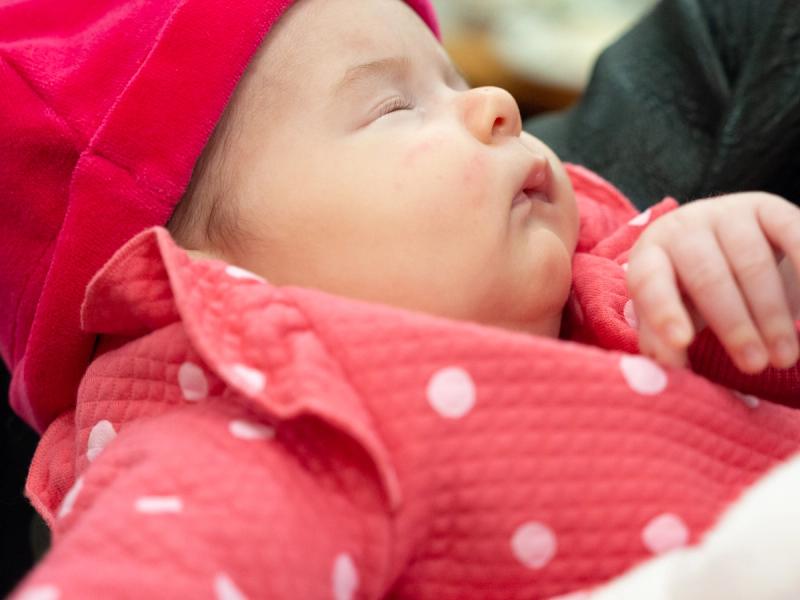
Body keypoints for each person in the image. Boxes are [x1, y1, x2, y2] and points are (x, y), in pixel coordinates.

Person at [2, 0, 800, 598]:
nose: (498, 105)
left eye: (453, 77)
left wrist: (737, 277)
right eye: (394, 107)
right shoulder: (282, 426)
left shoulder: (614, 264)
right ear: (200, 282)